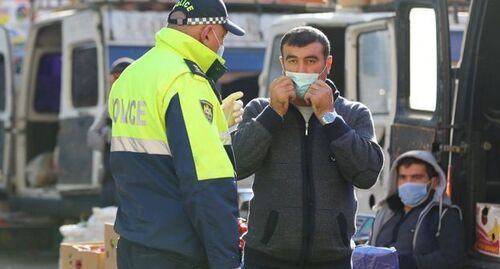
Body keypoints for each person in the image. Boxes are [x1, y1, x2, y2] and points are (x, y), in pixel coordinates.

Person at [107, 0, 245, 268]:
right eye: (223, 35)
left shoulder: (131, 75)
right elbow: (206, 183)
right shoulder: (185, 80)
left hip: (134, 242)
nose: (221, 44)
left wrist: (215, 125)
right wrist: (226, 260)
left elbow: (154, 151)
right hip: (176, 252)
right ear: (207, 33)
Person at [232, 26, 384, 269]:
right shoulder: (259, 109)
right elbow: (236, 166)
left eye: (311, 61)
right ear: (282, 64)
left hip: (332, 259)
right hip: (266, 257)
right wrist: (272, 115)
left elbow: (367, 175)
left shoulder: (353, 113)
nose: (301, 71)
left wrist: (330, 118)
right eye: (293, 61)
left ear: (328, 64)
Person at [369, 150, 465, 269]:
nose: (408, 183)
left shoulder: (444, 215)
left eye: (416, 177)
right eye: (403, 177)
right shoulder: (385, 213)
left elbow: (452, 259)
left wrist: (405, 263)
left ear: (434, 182)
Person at [87, 57, 133, 207]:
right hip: (112, 163)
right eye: (114, 79)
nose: (116, 83)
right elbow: (93, 134)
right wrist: (108, 137)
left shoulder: (141, 101)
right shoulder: (112, 101)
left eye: (120, 78)